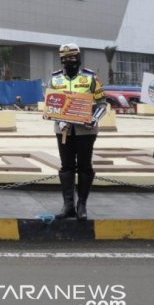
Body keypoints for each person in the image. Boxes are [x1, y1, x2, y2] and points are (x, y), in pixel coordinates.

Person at [48, 43, 106, 221]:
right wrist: (60, 119)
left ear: (79, 58)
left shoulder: (90, 78)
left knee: (85, 166)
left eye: (72, 57)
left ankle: (82, 204)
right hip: (63, 130)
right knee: (66, 167)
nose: (68, 61)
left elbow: (103, 103)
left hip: (86, 131)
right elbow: (50, 105)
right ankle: (68, 205)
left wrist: (94, 119)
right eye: (64, 58)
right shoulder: (55, 79)